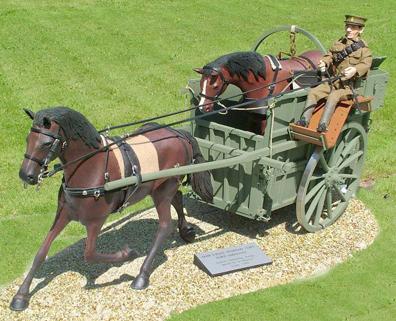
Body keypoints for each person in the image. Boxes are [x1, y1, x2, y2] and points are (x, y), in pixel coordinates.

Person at [296, 15, 373, 132]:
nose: (348, 30)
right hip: (332, 82)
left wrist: (355, 70)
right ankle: (304, 121)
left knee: (334, 96)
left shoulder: (364, 50)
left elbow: (366, 64)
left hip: (348, 87)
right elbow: (330, 55)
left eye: (352, 27)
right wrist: (324, 62)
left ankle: (323, 125)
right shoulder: (339, 43)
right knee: (313, 92)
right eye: (347, 26)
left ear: (360, 30)